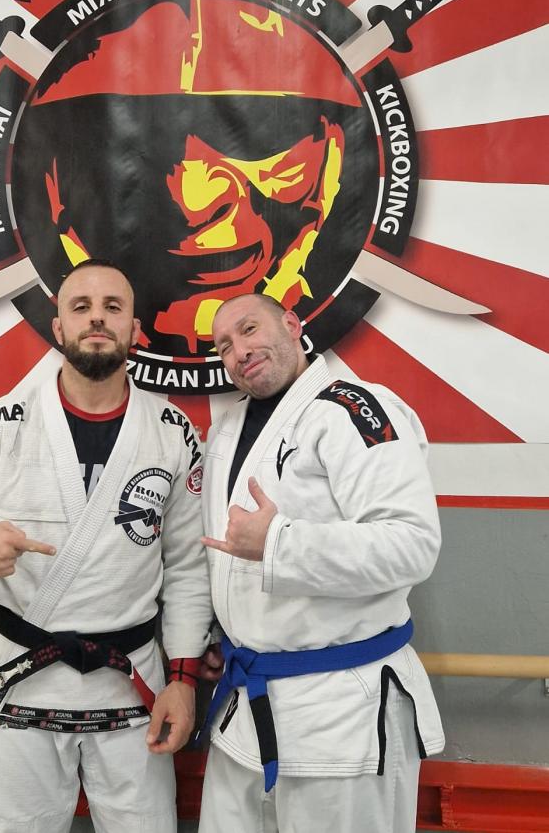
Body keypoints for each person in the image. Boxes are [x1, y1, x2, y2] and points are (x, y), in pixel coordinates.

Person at [0, 259, 213, 833]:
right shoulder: (4, 422)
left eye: (113, 308)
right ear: (58, 326)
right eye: (81, 307)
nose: (97, 318)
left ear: (135, 329)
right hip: (23, 676)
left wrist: (183, 681)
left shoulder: (172, 431)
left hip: (131, 683)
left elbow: (190, 566)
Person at [197, 293, 444, 833]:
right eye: (224, 346)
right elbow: (224, 556)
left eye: (249, 329)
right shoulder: (226, 430)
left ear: (291, 324)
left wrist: (279, 542)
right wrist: (219, 633)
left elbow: (412, 543)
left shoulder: (355, 410)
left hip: (341, 711)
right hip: (244, 707)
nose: (239, 351)